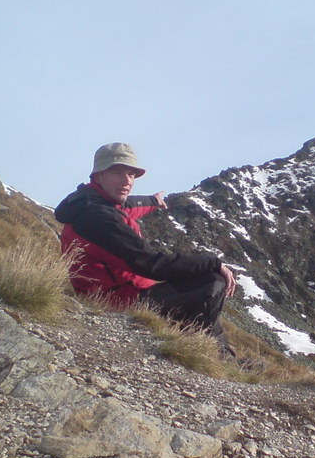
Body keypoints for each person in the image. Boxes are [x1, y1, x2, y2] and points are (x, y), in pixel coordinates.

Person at [54, 142, 237, 354]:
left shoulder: (91, 202)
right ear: (98, 176)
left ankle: (223, 352)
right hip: (117, 301)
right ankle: (211, 353)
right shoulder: (98, 218)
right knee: (212, 282)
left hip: (127, 292)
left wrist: (154, 201)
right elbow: (151, 265)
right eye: (117, 172)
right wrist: (213, 263)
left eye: (131, 174)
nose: (127, 181)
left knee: (199, 288)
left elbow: (127, 206)